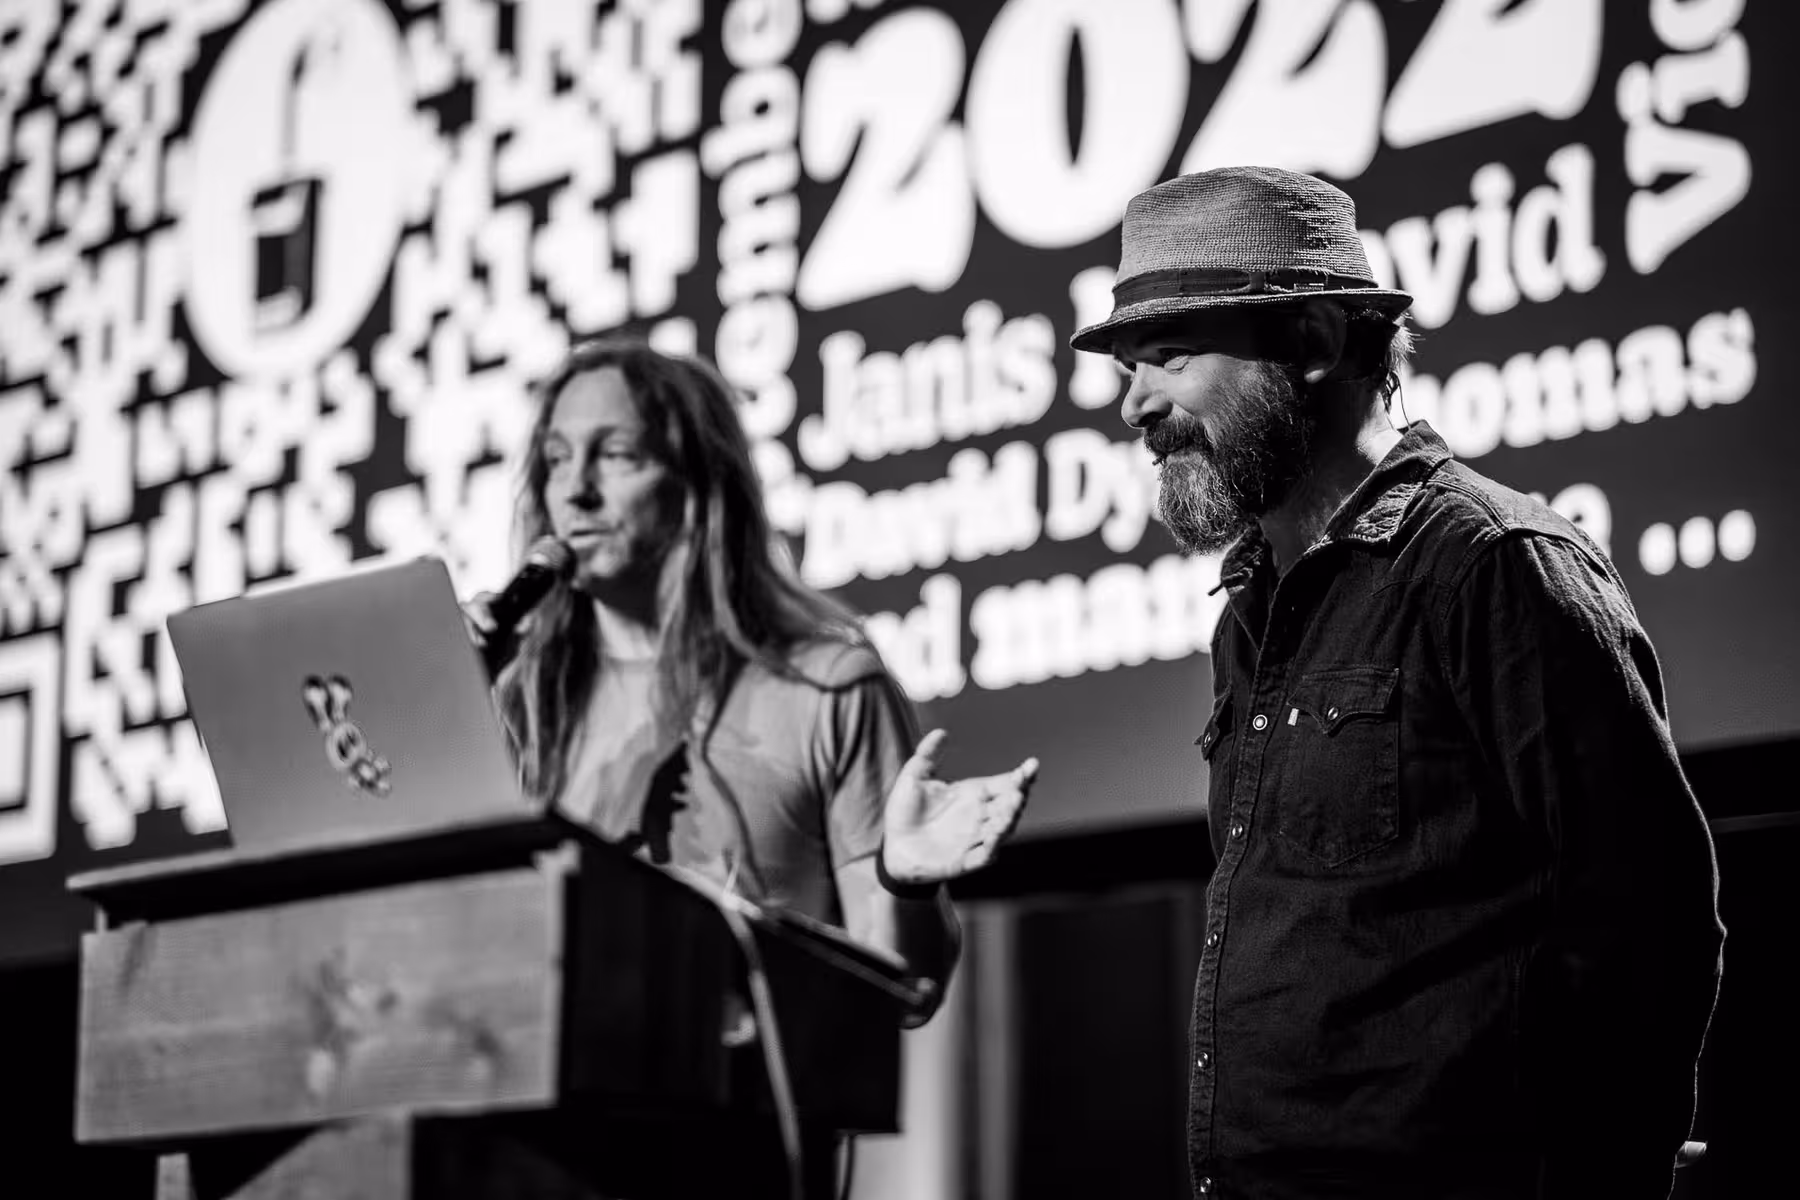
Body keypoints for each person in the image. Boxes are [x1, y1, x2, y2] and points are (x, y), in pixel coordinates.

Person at [1070, 167, 1725, 1199]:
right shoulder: (1250, 609)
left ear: (1315, 341)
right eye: (1129, 368)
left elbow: (1648, 916)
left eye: (1171, 356)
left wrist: (1607, 1169)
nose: (1135, 403)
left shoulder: (1493, 564)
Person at [464, 335, 1037, 1026]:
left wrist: (903, 885)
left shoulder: (827, 689)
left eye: (616, 455)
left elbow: (905, 991)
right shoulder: (517, 704)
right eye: (556, 459)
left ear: (700, 485)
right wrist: (451, 715)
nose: (575, 491)